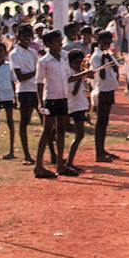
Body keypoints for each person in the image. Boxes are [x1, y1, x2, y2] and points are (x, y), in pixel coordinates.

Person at [34, 29, 88, 178]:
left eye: (60, 41)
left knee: (61, 131)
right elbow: (39, 83)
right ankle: (38, 166)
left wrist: (83, 75)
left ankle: (60, 165)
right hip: (50, 99)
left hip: (63, 98)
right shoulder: (44, 61)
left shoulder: (65, 57)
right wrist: (41, 104)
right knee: (47, 132)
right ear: (49, 44)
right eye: (57, 41)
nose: (60, 44)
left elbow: (68, 78)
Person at [9, 24, 42, 165]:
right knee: (24, 122)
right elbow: (20, 77)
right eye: (24, 36)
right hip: (24, 90)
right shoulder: (14, 54)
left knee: (45, 120)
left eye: (29, 36)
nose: (27, 39)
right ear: (18, 37)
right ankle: (27, 154)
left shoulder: (32, 52)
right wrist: (35, 72)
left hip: (35, 89)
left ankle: (52, 154)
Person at [89, 30, 121, 163]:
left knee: (105, 122)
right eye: (103, 42)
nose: (106, 45)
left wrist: (108, 58)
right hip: (101, 90)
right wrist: (103, 59)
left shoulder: (109, 54)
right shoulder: (96, 57)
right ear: (98, 42)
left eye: (108, 43)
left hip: (110, 90)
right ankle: (98, 153)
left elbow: (116, 69)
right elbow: (100, 75)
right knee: (100, 122)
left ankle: (102, 149)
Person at [64, 49, 91, 172]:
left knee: (79, 134)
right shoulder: (70, 74)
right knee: (79, 134)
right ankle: (68, 162)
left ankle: (69, 161)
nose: (78, 65)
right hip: (74, 106)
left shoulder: (76, 73)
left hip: (79, 105)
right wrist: (81, 76)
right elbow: (73, 91)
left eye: (80, 63)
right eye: (75, 63)